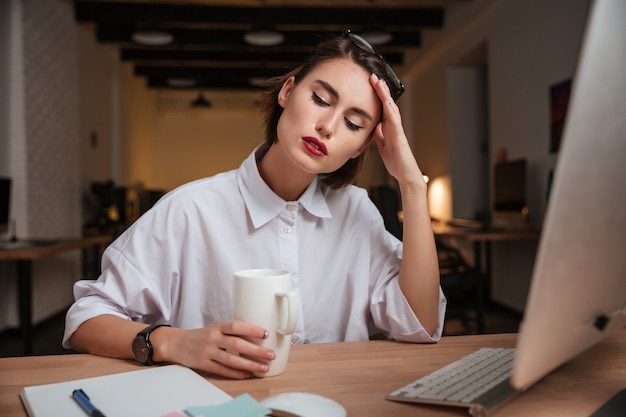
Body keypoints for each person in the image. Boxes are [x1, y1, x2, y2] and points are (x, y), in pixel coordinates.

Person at [63, 30, 447, 380]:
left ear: (363, 146)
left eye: (353, 123)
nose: (327, 125)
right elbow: (85, 319)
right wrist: (173, 342)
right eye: (320, 99)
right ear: (287, 92)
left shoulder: (358, 212)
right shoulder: (190, 209)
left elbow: (418, 324)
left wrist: (411, 184)